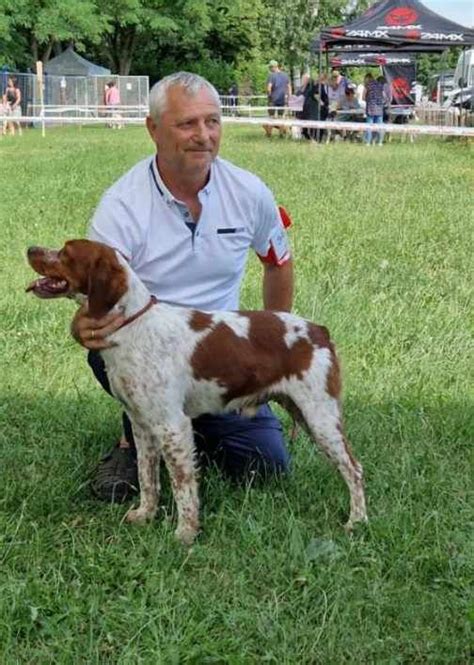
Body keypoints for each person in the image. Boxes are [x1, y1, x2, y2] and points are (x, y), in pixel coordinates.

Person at [71, 71, 294, 502]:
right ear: (153, 129)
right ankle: (134, 439)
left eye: (212, 122)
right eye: (187, 124)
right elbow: (94, 291)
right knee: (111, 359)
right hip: (146, 349)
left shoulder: (249, 192)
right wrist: (80, 327)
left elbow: (278, 263)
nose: (203, 136)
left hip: (219, 351)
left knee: (263, 467)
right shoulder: (121, 206)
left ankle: (183, 422)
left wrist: (274, 341)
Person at [263, 59, 291, 138]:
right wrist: (289, 97)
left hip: (273, 100)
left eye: (270, 67)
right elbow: (289, 87)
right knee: (281, 117)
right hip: (282, 99)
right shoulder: (285, 75)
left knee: (271, 117)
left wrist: (269, 96)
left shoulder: (271, 76)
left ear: (274, 67)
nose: (270, 69)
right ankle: (281, 134)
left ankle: (269, 134)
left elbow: (269, 88)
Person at [297, 72, 328, 142]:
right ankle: (316, 139)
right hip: (317, 109)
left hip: (312, 109)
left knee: (314, 125)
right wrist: (322, 103)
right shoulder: (319, 86)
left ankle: (314, 139)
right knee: (318, 125)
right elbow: (315, 95)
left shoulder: (315, 86)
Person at [363, 72, 387, 146]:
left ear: (367, 78)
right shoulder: (380, 85)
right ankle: (379, 142)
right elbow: (385, 97)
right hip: (379, 109)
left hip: (370, 108)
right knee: (379, 126)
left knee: (369, 126)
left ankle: (368, 142)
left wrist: (368, 99)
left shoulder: (367, 86)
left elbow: (363, 97)